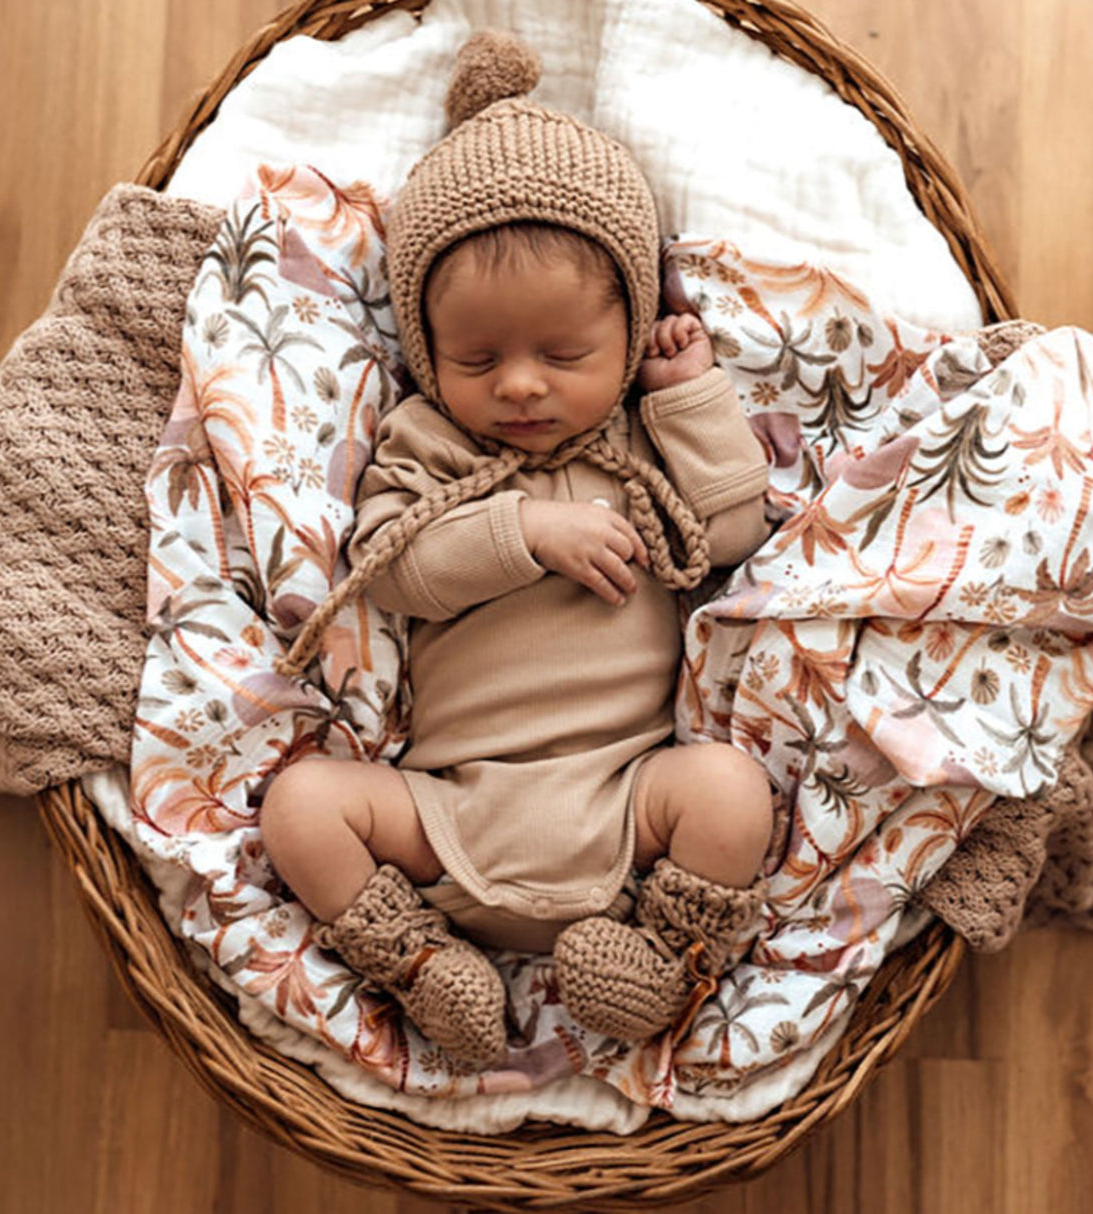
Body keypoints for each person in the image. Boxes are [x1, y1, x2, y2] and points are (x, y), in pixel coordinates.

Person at [261, 29, 776, 1068]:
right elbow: (394, 565)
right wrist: (525, 532)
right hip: (446, 807)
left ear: (628, 332)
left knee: (731, 789)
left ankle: (658, 957)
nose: (521, 386)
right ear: (422, 350)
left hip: (627, 801)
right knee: (299, 802)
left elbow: (729, 534)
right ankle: (413, 961)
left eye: (565, 353)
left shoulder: (637, 441)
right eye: (478, 358)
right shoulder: (426, 441)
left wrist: (693, 404)